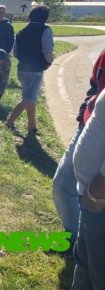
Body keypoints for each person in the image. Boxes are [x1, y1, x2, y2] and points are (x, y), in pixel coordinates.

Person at [51, 49, 105, 259]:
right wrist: (87, 106)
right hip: (90, 125)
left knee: (97, 198)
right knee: (63, 184)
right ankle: (75, 239)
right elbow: (95, 85)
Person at [72, 89, 105, 290]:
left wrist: (97, 192)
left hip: (99, 200)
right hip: (92, 197)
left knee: (100, 276)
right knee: (85, 266)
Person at [5, 5, 54, 133]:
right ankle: (9, 122)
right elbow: (48, 50)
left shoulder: (21, 31)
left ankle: (32, 125)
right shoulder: (46, 30)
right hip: (36, 70)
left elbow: (15, 52)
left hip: (22, 69)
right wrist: (49, 62)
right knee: (28, 99)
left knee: (30, 98)